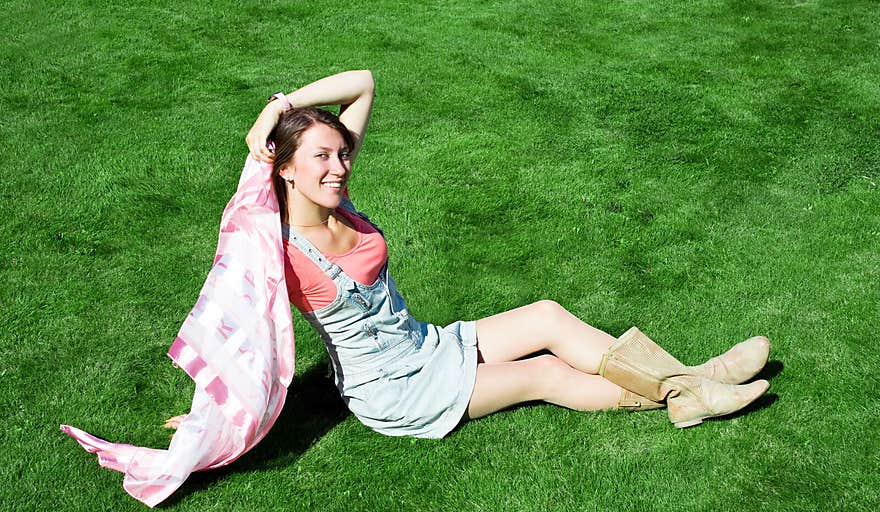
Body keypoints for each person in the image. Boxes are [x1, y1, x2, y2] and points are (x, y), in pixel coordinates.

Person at [163, 69, 769, 441]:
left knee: (548, 316)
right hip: (395, 389)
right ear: (286, 169)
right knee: (543, 374)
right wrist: (212, 418)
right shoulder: (279, 249)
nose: (339, 166)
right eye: (320, 157)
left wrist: (277, 106)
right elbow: (241, 325)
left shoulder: (336, 195)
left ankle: (697, 380)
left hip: (426, 343)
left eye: (341, 153)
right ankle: (688, 393)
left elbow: (364, 81)